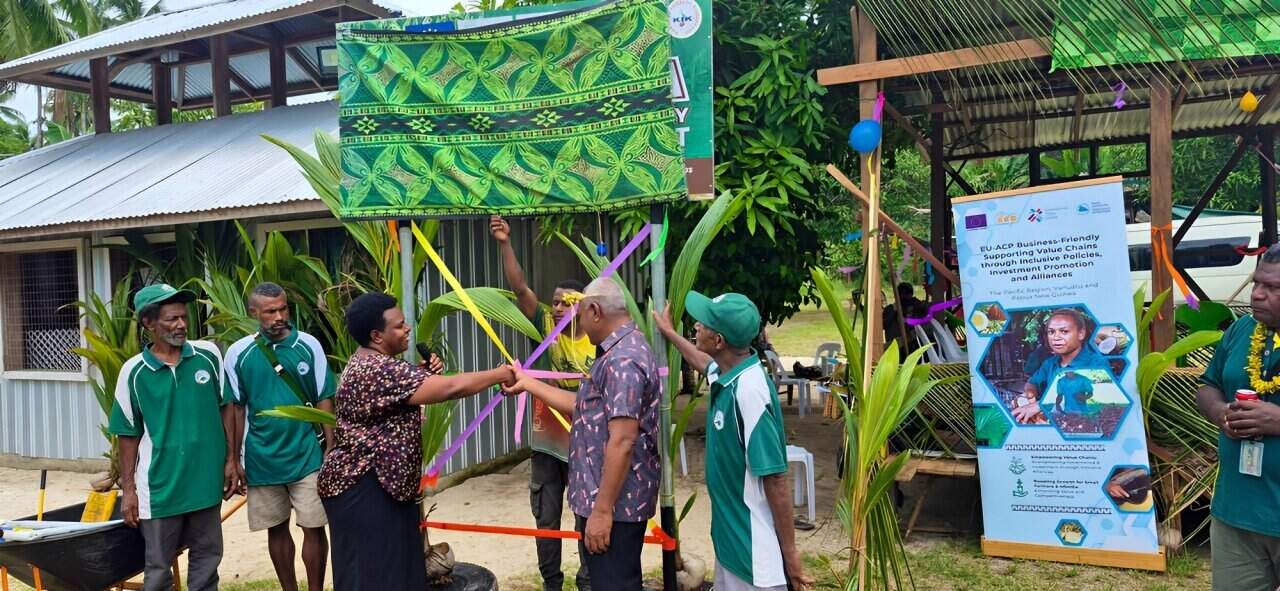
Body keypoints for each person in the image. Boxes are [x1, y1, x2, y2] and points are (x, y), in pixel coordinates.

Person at [318, 293, 513, 591]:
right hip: (367, 488)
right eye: (399, 326)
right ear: (376, 336)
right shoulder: (378, 370)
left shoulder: (371, 363)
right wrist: (501, 373)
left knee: (395, 573)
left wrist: (421, 375)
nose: (408, 328)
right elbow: (450, 388)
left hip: (380, 487)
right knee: (377, 578)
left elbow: (398, 396)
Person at [502, 278, 661, 590]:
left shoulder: (621, 361)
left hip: (616, 508)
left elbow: (623, 440)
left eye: (581, 313)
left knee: (614, 583)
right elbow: (585, 406)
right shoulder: (618, 351)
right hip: (614, 504)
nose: (578, 322)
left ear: (596, 311)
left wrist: (601, 512)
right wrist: (527, 383)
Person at [652, 292, 814, 591]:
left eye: (704, 324)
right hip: (732, 543)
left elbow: (776, 479)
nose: (696, 326)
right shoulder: (730, 372)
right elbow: (703, 362)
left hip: (753, 553)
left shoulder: (749, 392)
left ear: (719, 341)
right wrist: (670, 334)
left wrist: (791, 555)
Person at [109, 283, 239, 591]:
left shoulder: (208, 356)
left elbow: (227, 408)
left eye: (183, 317)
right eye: (172, 319)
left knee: (207, 561)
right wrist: (129, 491)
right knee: (158, 569)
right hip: (160, 488)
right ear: (149, 323)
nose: (181, 324)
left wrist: (232, 460)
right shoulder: (134, 372)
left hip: (205, 483)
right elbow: (127, 434)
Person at [490, 215, 593, 591]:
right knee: (547, 520)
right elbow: (520, 289)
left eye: (567, 304)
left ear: (586, 308)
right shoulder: (546, 328)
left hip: (586, 445)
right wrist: (505, 243)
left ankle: (588, 582)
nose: (559, 309)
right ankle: (552, 583)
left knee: (586, 519)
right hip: (547, 444)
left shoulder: (598, 339)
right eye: (555, 303)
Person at [223, 282, 336, 591]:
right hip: (262, 456)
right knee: (275, 527)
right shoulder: (238, 353)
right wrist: (233, 460)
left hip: (308, 452)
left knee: (314, 526)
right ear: (253, 312)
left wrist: (331, 447)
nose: (279, 317)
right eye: (270, 311)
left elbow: (324, 396)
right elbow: (235, 408)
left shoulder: (308, 345)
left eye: (283, 309)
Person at [1196, 244, 1280, 590]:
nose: (1257, 294)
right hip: (1237, 514)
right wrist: (1220, 413)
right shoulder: (1243, 328)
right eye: (1256, 282)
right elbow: (1208, 385)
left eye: (1273, 287)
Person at [1012, 308, 1106, 424]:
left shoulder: (1096, 363)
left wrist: (1040, 405)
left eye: (1064, 331)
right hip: (1059, 420)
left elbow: (1098, 397)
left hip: (1085, 422)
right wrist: (1030, 395)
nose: (1056, 337)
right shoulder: (1049, 363)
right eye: (1051, 332)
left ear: (1081, 334)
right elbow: (1032, 383)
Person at [883, 282, 926, 350]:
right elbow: (883, 324)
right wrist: (894, 310)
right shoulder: (890, 309)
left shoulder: (915, 305)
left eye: (907, 294)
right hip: (895, 345)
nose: (904, 297)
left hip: (913, 343)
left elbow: (923, 316)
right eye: (902, 294)